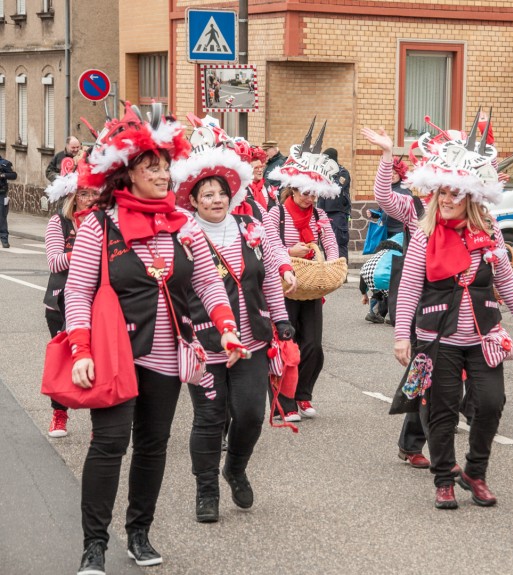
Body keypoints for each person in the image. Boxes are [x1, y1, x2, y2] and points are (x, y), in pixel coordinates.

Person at [64, 103, 242, 575]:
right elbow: (77, 292)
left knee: (153, 445)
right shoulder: (99, 227)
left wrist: (226, 327)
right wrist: (80, 349)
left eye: (165, 166)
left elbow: (207, 282)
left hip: (167, 356)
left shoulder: (183, 228)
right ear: (127, 174)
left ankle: (139, 533)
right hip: (114, 355)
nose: (164, 175)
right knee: (109, 444)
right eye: (152, 167)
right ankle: (94, 544)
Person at [390, 114, 513, 509]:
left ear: (470, 196)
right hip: (438, 338)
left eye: (456, 194)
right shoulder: (424, 235)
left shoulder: (491, 232)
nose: (448, 200)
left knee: (490, 403)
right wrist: (403, 334)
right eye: (443, 194)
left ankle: (475, 472)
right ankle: (444, 479)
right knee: (441, 410)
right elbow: (409, 289)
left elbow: (503, 277)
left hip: (484, 335)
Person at [171, 135, 296, 523]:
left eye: (220, 193)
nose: (214, 199)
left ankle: (235, 468)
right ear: (192, 200)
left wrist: (279, 318)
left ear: (231, 195)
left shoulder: (250, 226)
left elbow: (266, 279)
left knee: (249, 415)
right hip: (206, 341)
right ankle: (206, 489)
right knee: (210, 417)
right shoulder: (184, 234)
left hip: (252, 341)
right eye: (205, 194)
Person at [361, 126, 432, 470]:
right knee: (425, 369)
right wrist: (388, 155)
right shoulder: (414, 203)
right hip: (422, 295)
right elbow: (384, 198)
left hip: (462, 299)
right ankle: (412, 442)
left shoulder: (471, 206)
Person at [265, 120, 341, 421]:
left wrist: (332, 265)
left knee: (313, 346)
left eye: (314, 193)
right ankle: (284, 402)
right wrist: (289, 253)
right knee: (287, 345)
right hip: (284, 287)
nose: (310, 198)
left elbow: (332, 244)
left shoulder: (320, 215)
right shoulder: (277, 213)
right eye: (305, 192)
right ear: (292, 189)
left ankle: (303, 395)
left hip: (311, 286)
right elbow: (269, 247)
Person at [42, 159, 100, 437]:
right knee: (64, 361)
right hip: (60, 301)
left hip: (96, 301)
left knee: (96, 360)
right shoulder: (59, 223)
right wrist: (86, 251)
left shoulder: (104, 223)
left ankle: (98, 422)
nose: (89, 199)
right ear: (72, 197)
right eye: (83, 194)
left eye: (93, 193)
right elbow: (54, 262)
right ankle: (59, 414)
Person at [318, 147, 352, 261]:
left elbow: (337, 187)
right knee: (327, 244)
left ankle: (341, 274)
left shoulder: (342, 172)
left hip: (338, 213)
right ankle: (331, 272)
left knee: (339, 243)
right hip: (323, 213)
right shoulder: (322, 172)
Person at [0, 151, 17, 248]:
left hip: (1, 194)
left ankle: (4, 239)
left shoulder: (4, 163)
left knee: (1, 217)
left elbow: (14, 175)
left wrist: (2, 175)